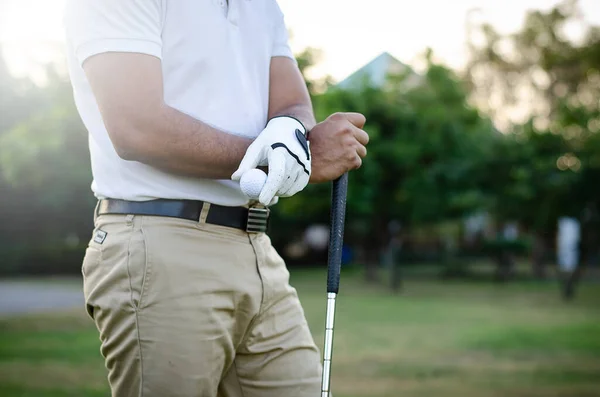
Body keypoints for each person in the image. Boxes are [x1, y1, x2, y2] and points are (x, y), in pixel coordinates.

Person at [62, 1, 369, 396]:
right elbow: (138, 128)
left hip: (257, 247)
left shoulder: (262, 7)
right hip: (160, 242)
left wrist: (292, 139)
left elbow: (292, 105)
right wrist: (284, 159)